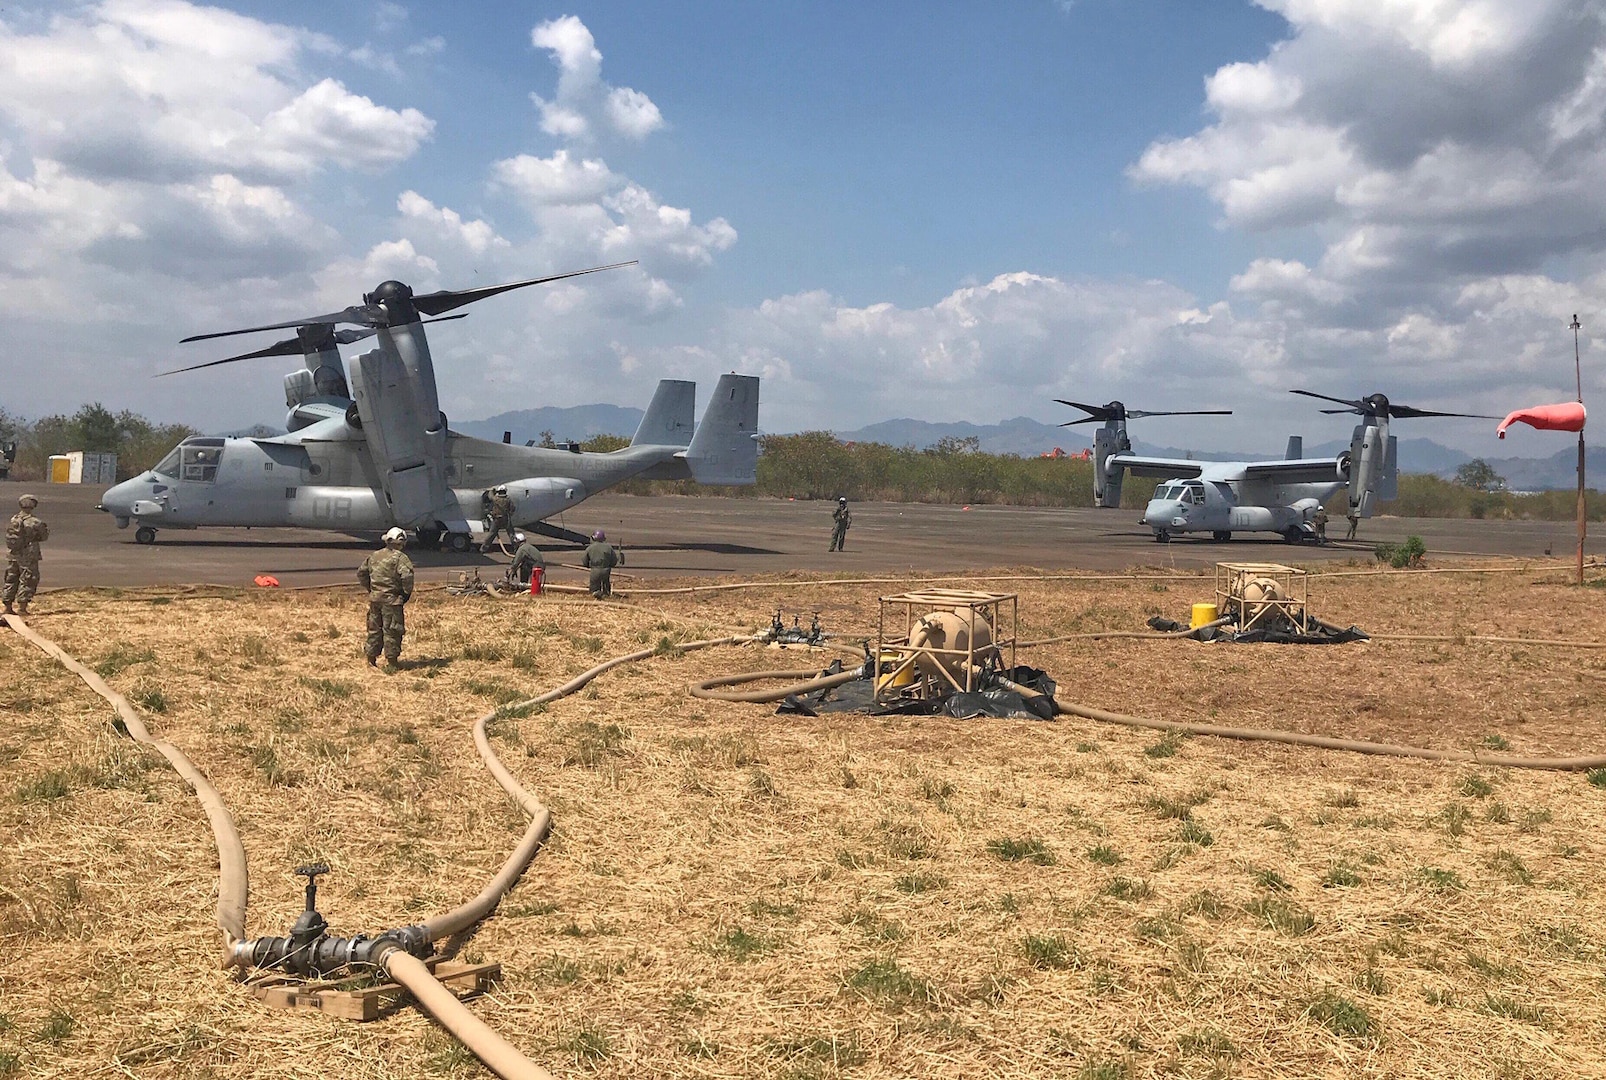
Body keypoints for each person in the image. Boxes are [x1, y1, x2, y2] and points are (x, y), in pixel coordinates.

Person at [358, 527, 414, 667]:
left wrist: (371, 589)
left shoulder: (374, 556)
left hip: (375, 599)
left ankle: (371, 659)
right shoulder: (401, 558)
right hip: (392, 601)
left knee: (374, 629)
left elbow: (361, 573)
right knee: (392, 630)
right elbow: (407, 577)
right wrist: (405, 593)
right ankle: (392, 662)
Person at [4, 494, 48, 616]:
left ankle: (8, 607)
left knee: (11, 578)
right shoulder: (35, 522)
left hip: (13, 553)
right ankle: (22, 608)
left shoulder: (14, 519)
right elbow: (44, 536)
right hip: (28, 553)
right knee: (28, 578)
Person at [582, 529, 623, 599]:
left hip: (595, 570)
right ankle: (606, 595)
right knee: (606, 583)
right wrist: (610, 565)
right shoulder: (609, 547)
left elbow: (584, 560)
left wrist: (588, 566)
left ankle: (597, 595)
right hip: (606, 569)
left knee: (594, 586)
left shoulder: (590, 548)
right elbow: (614, 560)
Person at [480, 485, 516, 552]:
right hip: (506, 519)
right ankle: (516, 548)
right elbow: (513, 508)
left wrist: (492, 490)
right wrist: (509, 515)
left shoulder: (495, 499)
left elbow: (490, 496)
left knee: (491, 534)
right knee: (511, 534)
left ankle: (483, 549)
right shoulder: (508, 499)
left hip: (496, 519)